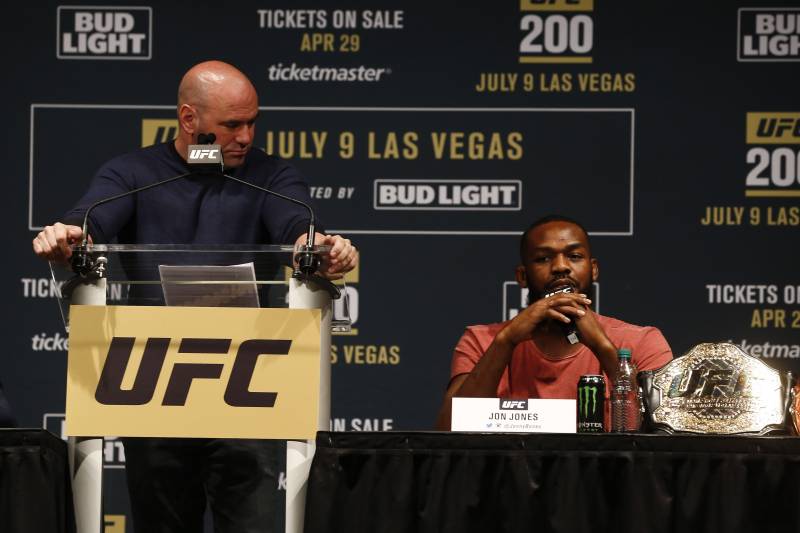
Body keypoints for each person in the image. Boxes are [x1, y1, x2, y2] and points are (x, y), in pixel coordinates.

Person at [32, 60, 358, 533]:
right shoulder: (133, 172)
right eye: (232, 125)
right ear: (189, 119)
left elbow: (296, 226)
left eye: (252, 122)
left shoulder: (269, 174)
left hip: (249, 387)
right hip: (155, 385)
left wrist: (317, 247)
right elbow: (92, 221)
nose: (246, 136)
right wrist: (70, 234)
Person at [436, 214, 672, 430]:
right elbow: (447, 432)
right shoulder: (482, 341)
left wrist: (602, 345)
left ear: (594, 270)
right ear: (522, 276)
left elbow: (667, 430)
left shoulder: (642, 341)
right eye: (543, 258)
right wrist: (506, 341)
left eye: (574, 256)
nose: (560, 267)